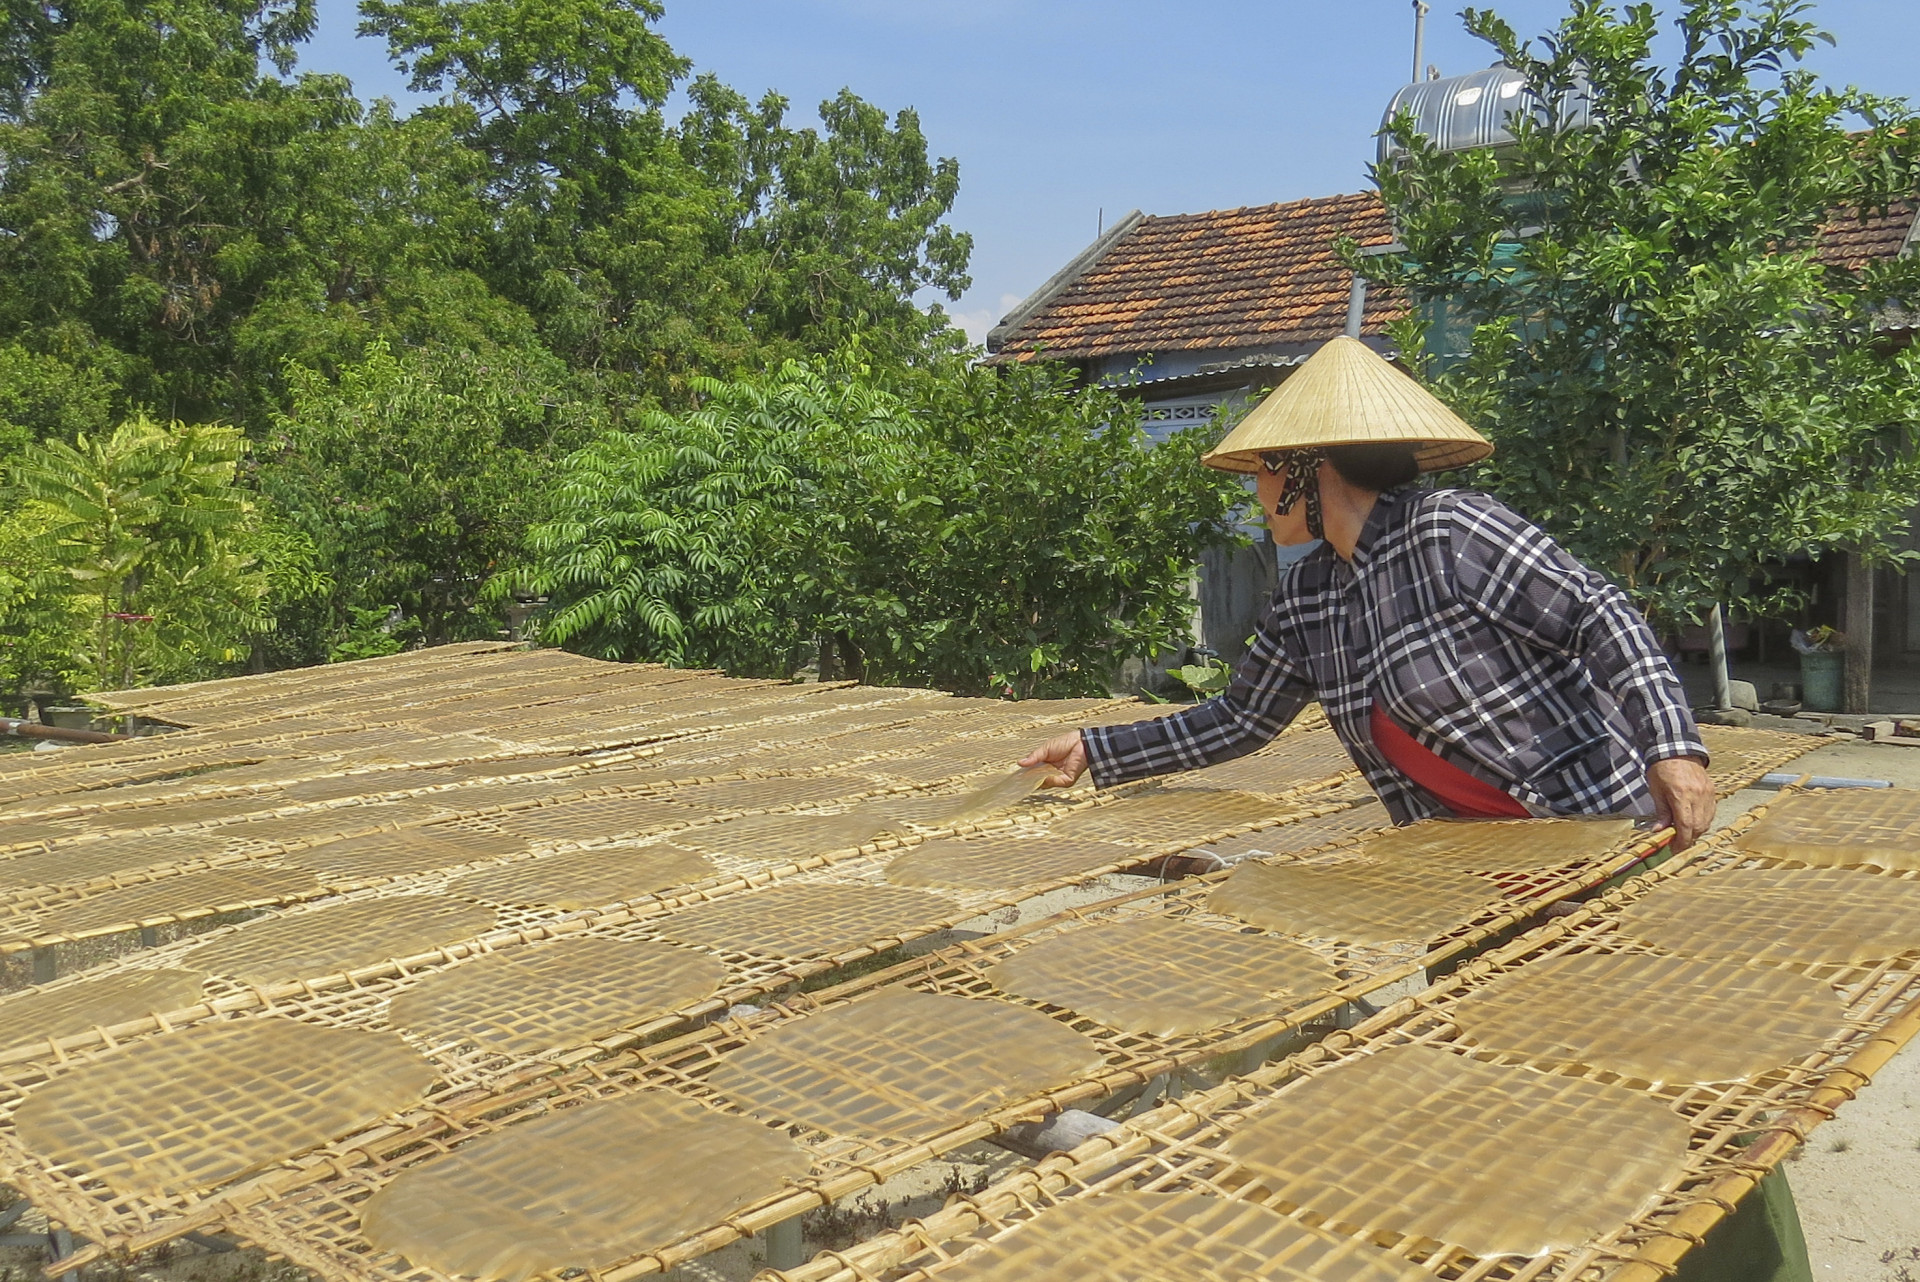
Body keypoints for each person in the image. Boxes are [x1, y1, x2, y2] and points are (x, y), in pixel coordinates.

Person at [1021, 336, 1716, 849]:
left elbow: (1599, 614)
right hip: (1458, 860)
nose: (1256, 493)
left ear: (1304, 470)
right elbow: (1239, 720)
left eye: (1262, 472)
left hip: (1586, 833)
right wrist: (1096, 750)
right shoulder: (1310, 596)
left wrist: (1673, 748)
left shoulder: (1450, 530)